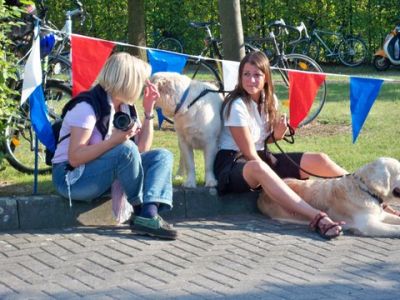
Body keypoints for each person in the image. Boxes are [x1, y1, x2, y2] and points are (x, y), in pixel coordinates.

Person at [214, 51, 348, 239]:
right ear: (240, 77)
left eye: (257, 75)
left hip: (261, 157)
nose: (251, 80)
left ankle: (374, 198)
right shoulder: (236, 105)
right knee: (259, 166)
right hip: (234, 164)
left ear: (266, 78)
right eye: (246, 74)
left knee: (319, 159)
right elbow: (249, 153)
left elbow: (262, 141)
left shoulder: (270, 101)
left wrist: (276, 135)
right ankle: (317, 218)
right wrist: (280, 191)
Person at [52, 52, 177, 240]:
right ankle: (141, 210)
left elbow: (141, 149)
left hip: (101, 172)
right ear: (128, 81)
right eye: (142, 81)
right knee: (125, 149)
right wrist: (114, 141)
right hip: (71, 177)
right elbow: (75, 157)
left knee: (163, 156)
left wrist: (149, 110)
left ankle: (148, 213)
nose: (144, 86)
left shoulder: (125, 107)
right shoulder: (87, 107)